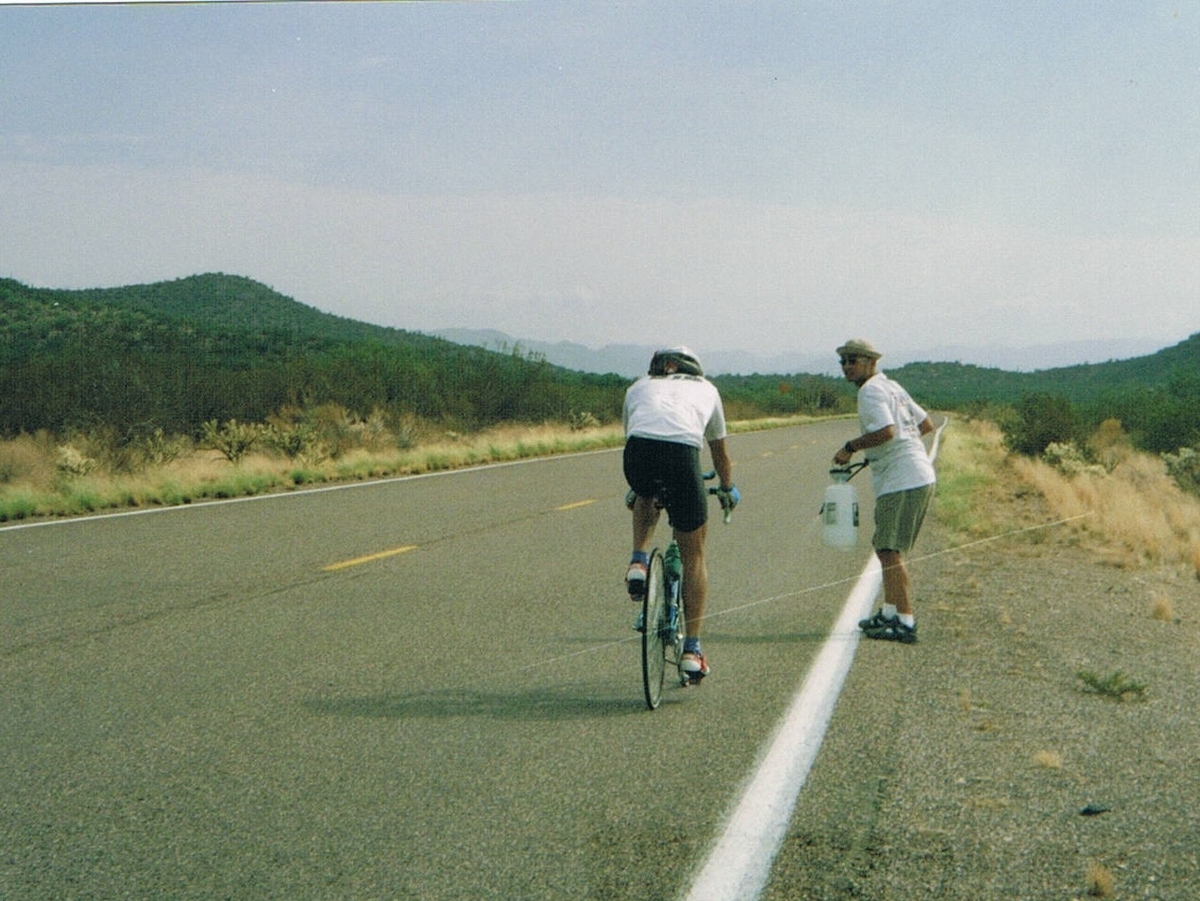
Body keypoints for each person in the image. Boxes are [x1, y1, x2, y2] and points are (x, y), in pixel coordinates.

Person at [623, 346, 739, 682]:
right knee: (695, 555)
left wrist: (639, 483)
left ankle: (638, 562)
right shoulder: (707, 390)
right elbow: (720, 455)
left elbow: (633, 436)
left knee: (646, 493)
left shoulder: (638, 386)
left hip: (638, 453)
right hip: (683, 455)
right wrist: (728, 488)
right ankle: (692, 650)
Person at [832, 338, 935, 644]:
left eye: (854, 360)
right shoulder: (892, 387)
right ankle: (889, 613)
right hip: (911, 474)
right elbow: (925, 424)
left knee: (890, 551)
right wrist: (887, 453)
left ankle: (905, 621)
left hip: (902, 479)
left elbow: (887, 432)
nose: (848, 367)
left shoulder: (870, 391)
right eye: (844, 361)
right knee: (884, 546)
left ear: (871, 362)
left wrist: (851, 447)